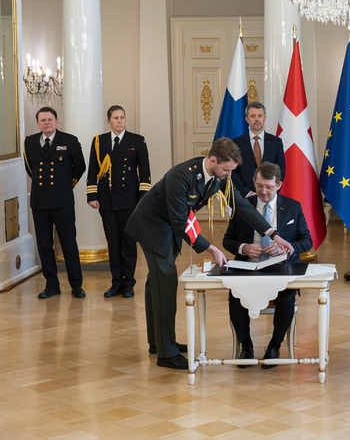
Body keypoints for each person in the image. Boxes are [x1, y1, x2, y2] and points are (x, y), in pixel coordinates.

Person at [125, 137, 294, 369]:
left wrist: (274, 234)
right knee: (165, 280)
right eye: (226, 169)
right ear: (213, 160)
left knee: (156, 281)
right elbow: (180, 219)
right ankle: (166, 354)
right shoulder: (181, 175)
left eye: (232, 171)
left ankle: (159, 343)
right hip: (152, 226)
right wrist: (211, 248)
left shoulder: (219, 176)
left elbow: (243, 206)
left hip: (170, 226)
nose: (229, 175)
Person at [223, 162, 312, 369]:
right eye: (260, 185)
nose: (264, 191)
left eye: (269, 187)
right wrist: (243, 248)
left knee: (287, 298)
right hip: (248, 268)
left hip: (282, 269)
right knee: (235, 298)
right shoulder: (242, 206)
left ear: (279, 185)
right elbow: (228, 240)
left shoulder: (292, 207)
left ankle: (274, 345)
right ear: (254, 182)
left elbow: (307, 241)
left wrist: (284, 249)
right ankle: (246, 346)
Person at [86, 105, 151, 298]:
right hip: (106, 199)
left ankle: (129, 283)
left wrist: (142, 200)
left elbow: (145, 172)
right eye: (115, 118)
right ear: (109, 121)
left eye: (122, 117)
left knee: (128, 243)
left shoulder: (137, 141)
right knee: (113, 244)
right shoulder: (99, 141)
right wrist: (92, 195)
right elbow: (92, 169)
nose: (120, 121)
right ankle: (116, 282)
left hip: (129, 200)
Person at [24, 106, 86, 299]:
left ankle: (76, 285)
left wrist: (65, 187)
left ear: (57, 121)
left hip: (62, 201)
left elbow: (80, 167)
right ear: (38, 123)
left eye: (50, 119)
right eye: (42, 120)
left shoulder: (69, 141)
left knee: (68, 243)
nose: (47, 123)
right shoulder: (29, 142)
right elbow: (30, 168)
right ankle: (52, 285)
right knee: (44, 245)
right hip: (40, 202)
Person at [231, 101, 285, 198]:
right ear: (247, 119)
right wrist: (247, 192)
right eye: (252, 116)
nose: (257, 119)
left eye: (260, 116)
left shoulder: (276, 142)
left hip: (270, 195)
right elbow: (233, 172)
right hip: (245, 197)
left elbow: (281, 170)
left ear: (265, 118)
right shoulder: (236, 143)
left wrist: (271, 190)